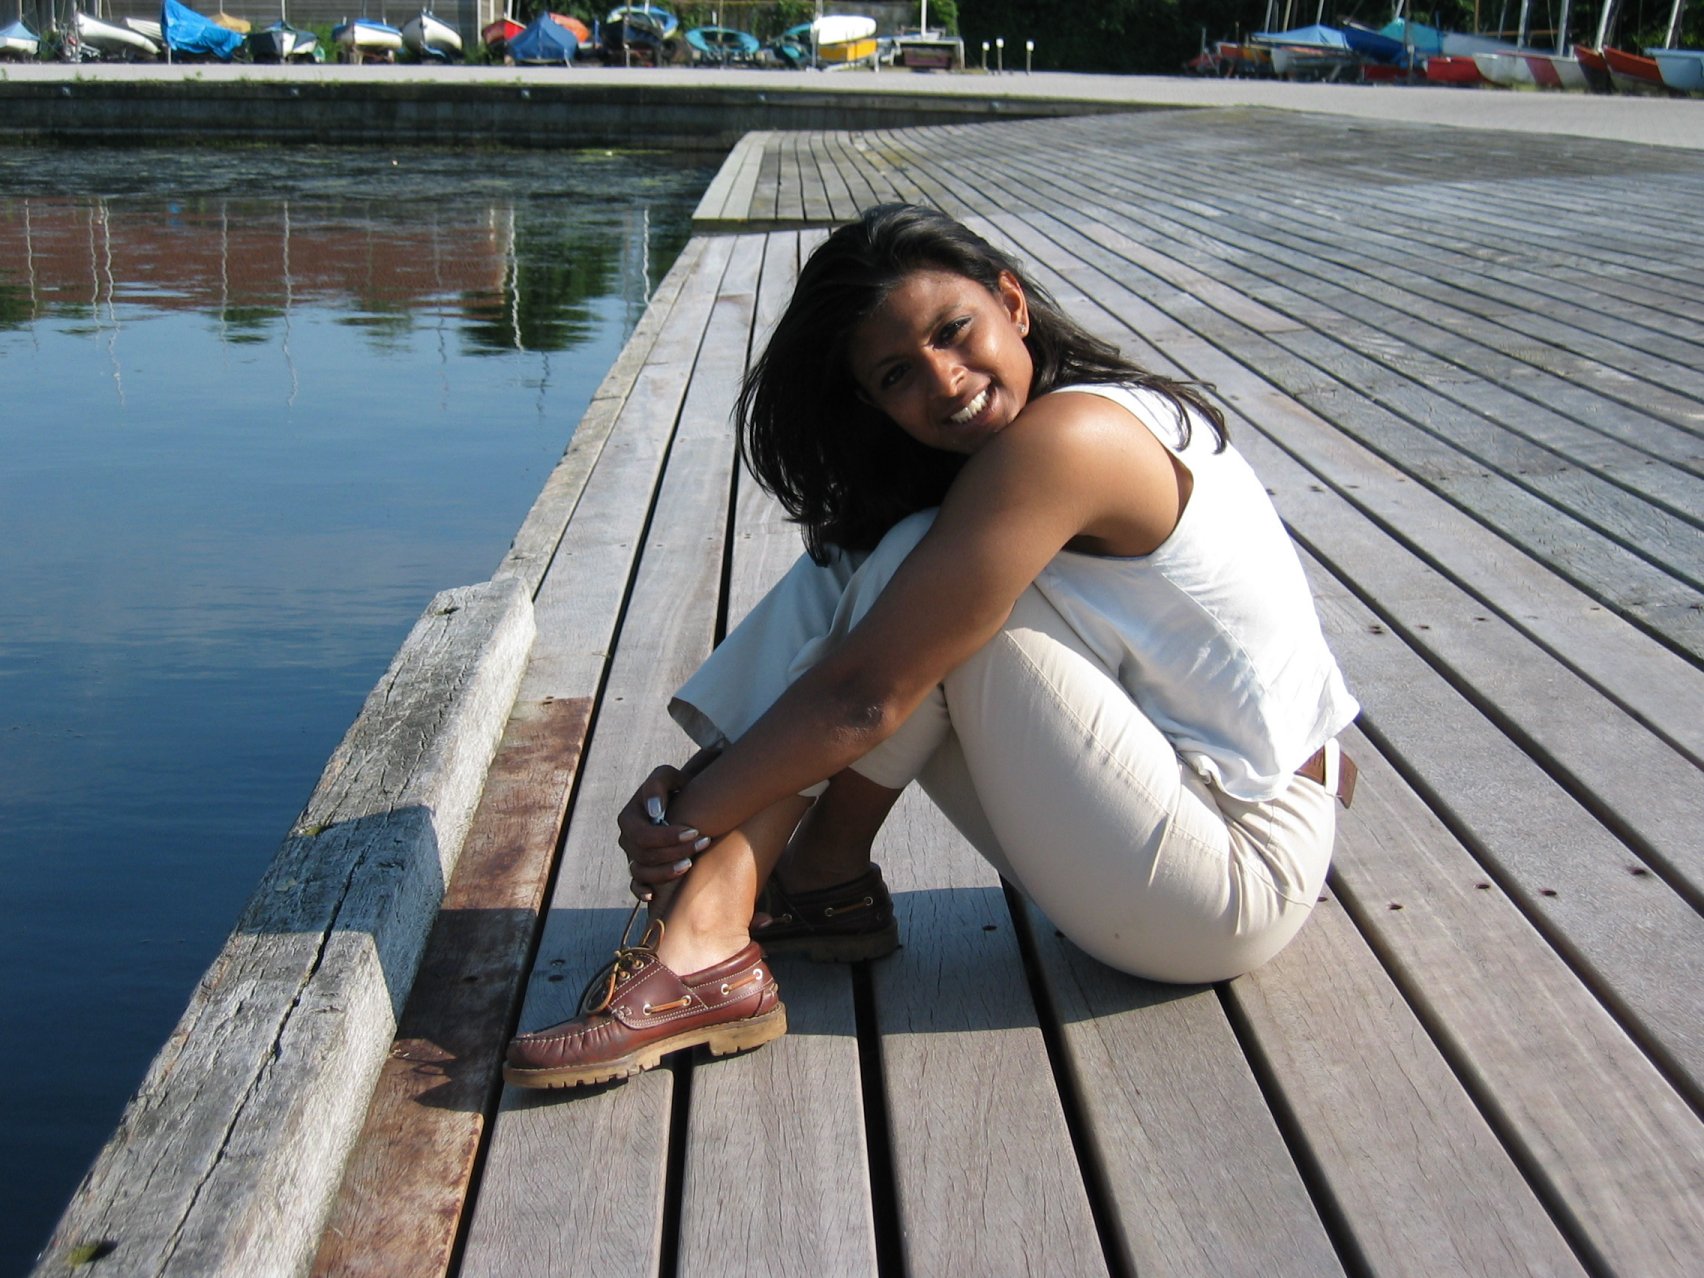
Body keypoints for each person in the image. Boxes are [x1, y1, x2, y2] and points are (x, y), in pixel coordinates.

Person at [504, 204, 1359, 1090]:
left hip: (1234, 875)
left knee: (929, 606)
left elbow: (863, 698)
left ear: (1012, 303)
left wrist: (694, 815)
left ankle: (710, 932)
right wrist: (709, 783)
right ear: (874, 404)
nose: (946, 382)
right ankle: (817, 883)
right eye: (898, 375)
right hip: (1176, 816)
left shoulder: (1075, 438)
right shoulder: (1019, 448)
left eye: (955, 332)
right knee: (896, 567)